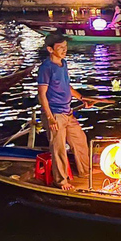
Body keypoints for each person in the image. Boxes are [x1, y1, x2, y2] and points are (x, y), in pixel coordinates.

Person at [37, 33, 101, 190]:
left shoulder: (63, 64)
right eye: (60, 48)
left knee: (79, 140)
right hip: (55, 115)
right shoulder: (46, 68)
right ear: (50, 49)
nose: (65, 50)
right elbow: (42, 95)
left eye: (65, 47)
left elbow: (66, 86)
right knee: (58, 148)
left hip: (67, 111)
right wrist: (50, 118)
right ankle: (61, 181)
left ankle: (85, 171)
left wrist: (81, 98)